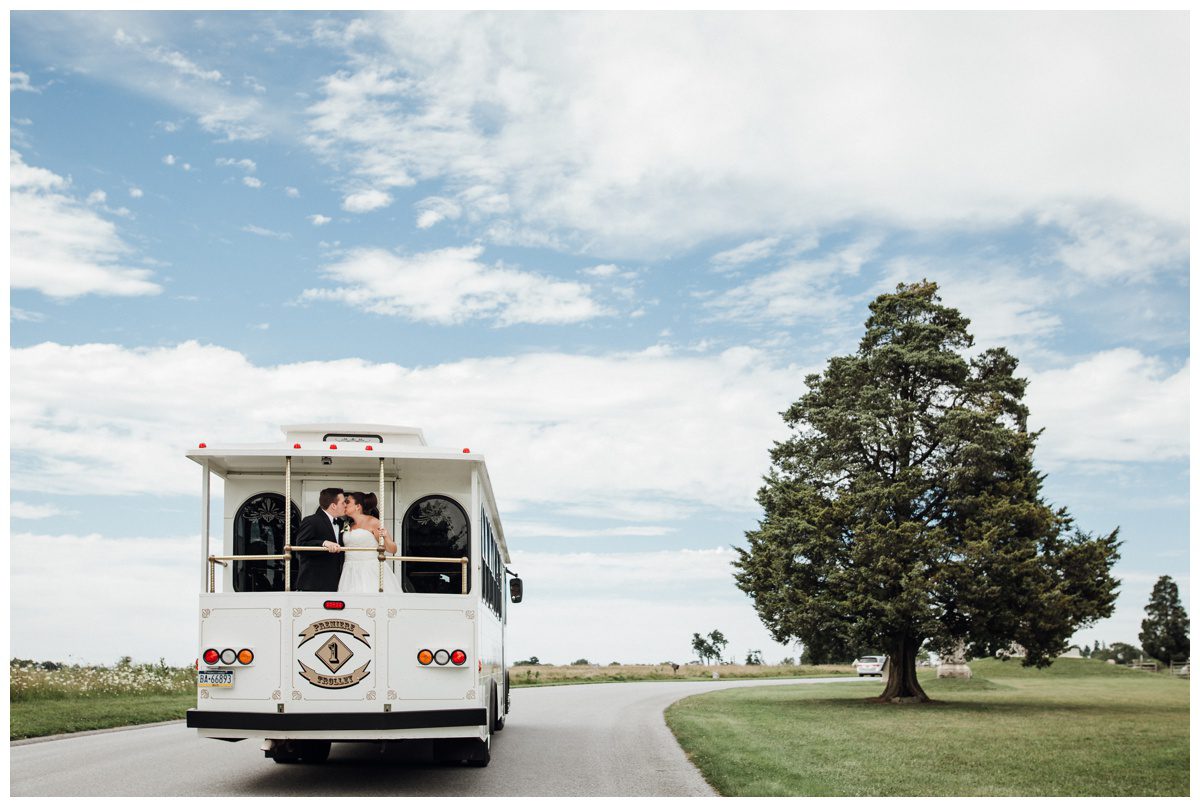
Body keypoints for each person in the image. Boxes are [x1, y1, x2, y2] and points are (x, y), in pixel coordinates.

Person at [337, 491, 401, 593]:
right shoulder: (347, 524)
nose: (345, 504)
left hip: (370, 569)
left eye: (348, 502)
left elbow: (393, 549)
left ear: (358, 506)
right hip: (349, 569)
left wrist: (386, 537)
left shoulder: (374, 522)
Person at [295, 487, 345, 591]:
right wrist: (323, 543)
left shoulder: (341, 523)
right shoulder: (311, 521)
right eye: (343, 503)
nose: (345, 505)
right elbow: (300, 546)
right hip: (314, 582)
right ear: (333, 506)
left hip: (337, 583)